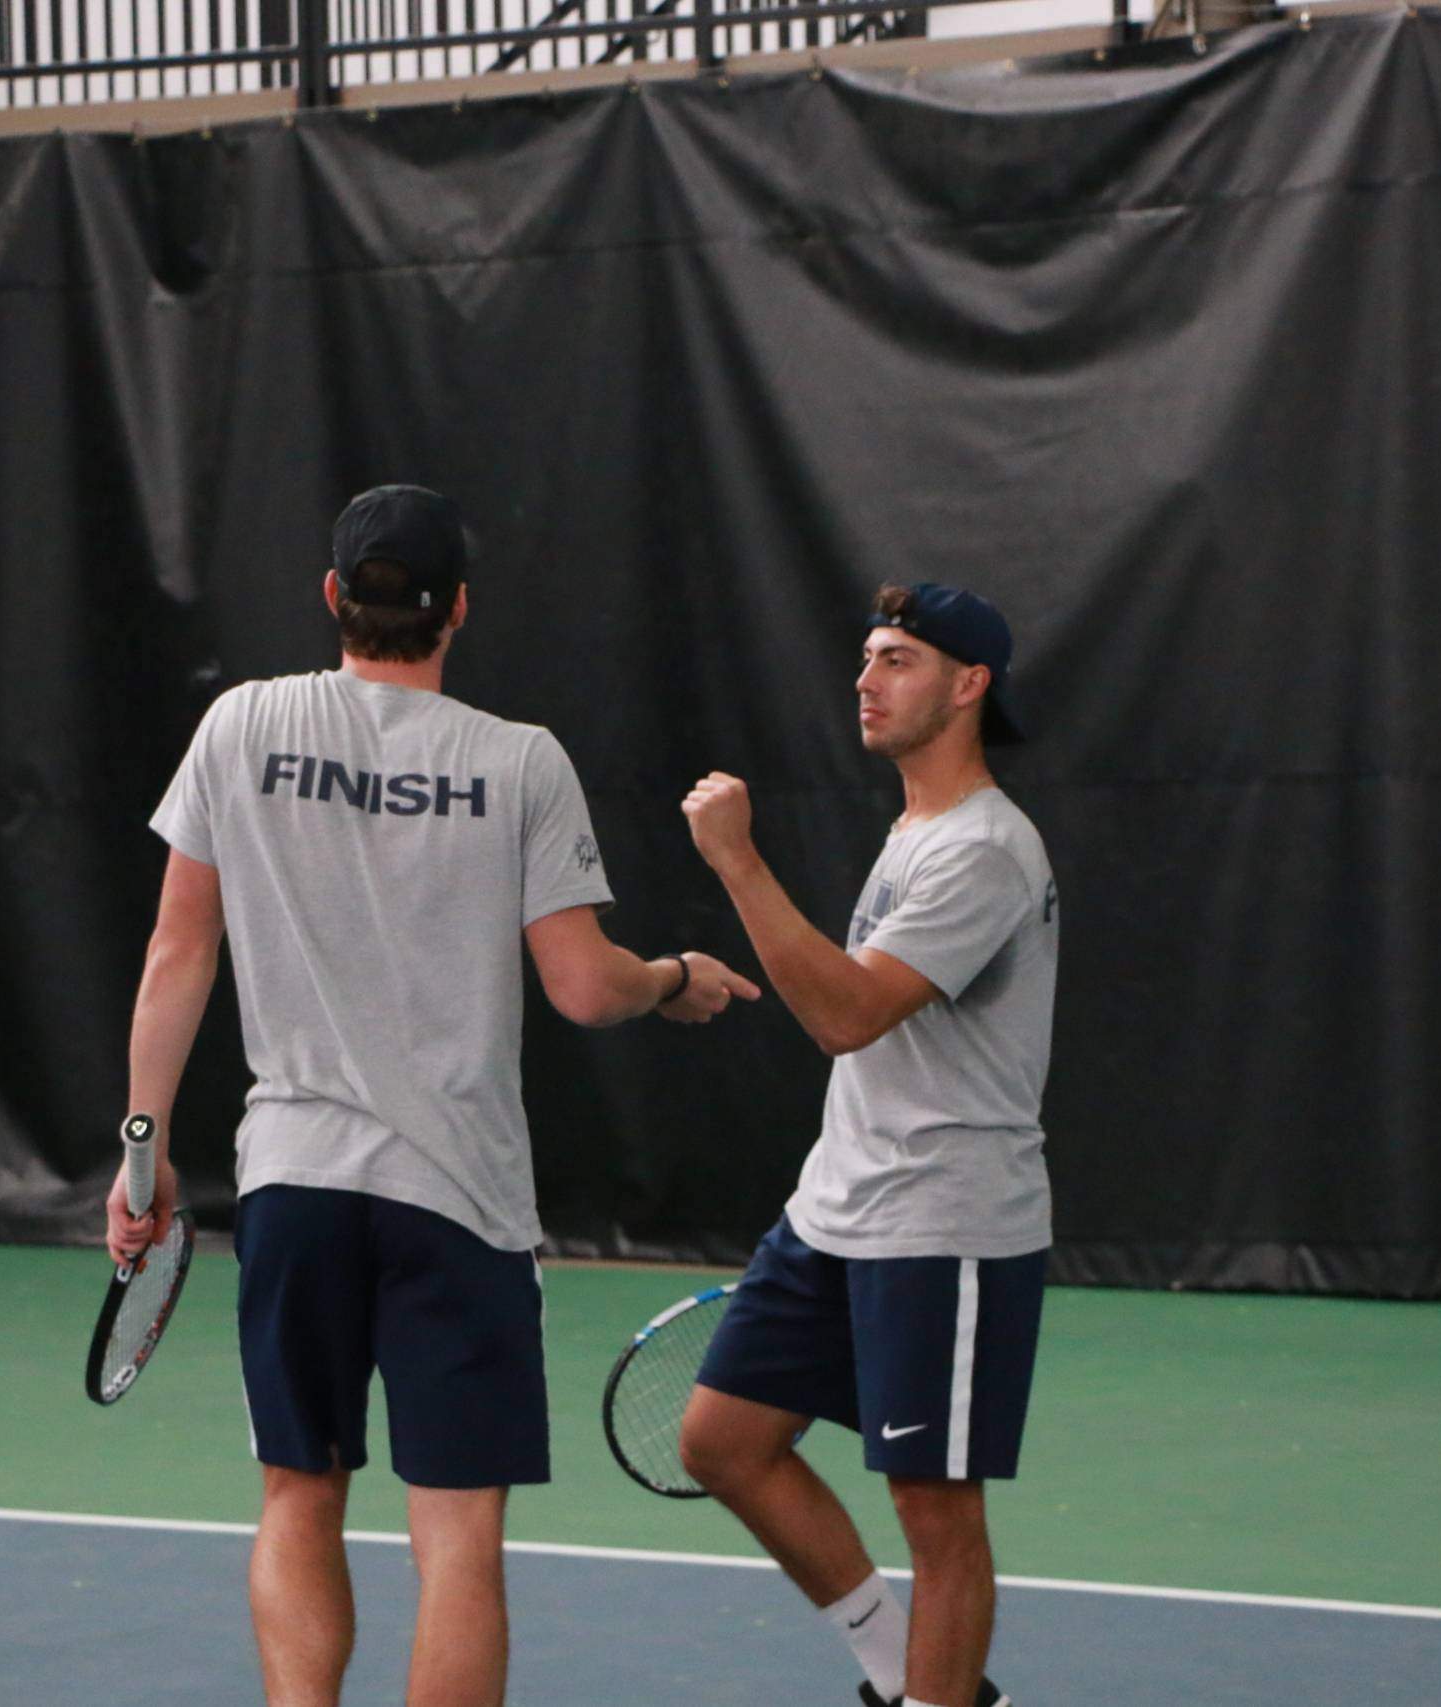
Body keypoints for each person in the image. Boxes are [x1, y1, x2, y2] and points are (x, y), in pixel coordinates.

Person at [104, 483, 761, 1707]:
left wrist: (141, 1159)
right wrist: (672, 977)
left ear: (332, 599)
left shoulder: (239, 727)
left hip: (295, 1187)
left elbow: (175, 954)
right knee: (456, 1536)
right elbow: (580, 986)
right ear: (457, 609)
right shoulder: (519, 762)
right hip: (456, 1202)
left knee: (298, 1494)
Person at [676, 582, 1058, 1707]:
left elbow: (845, 1014)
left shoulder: (984, 849)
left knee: (935, 1514)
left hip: (944, 1223)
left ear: (968, 684)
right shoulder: (918, 829)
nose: (865, 679)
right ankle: (901, 1673)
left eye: (895, 659)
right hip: (837, 1209)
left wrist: (737, 863)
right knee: (722, 1441)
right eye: (865, 657)